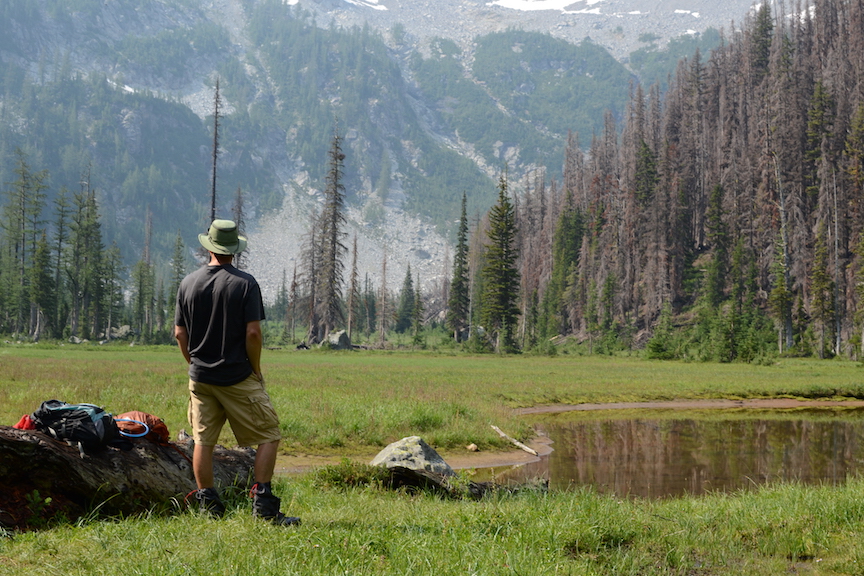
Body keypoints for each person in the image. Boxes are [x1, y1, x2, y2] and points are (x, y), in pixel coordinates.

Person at [174, 219, 300, 526]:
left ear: (209, 247)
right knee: (269, 434)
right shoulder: (245, 284)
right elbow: (253, 334)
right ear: (234, 250)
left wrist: (193, 362)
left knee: (203, 441)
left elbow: (179, 333)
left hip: (200, 377)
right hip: (237, 375)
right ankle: (264, 507)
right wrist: (255, 369)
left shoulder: (188, 283)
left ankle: (209, 506)